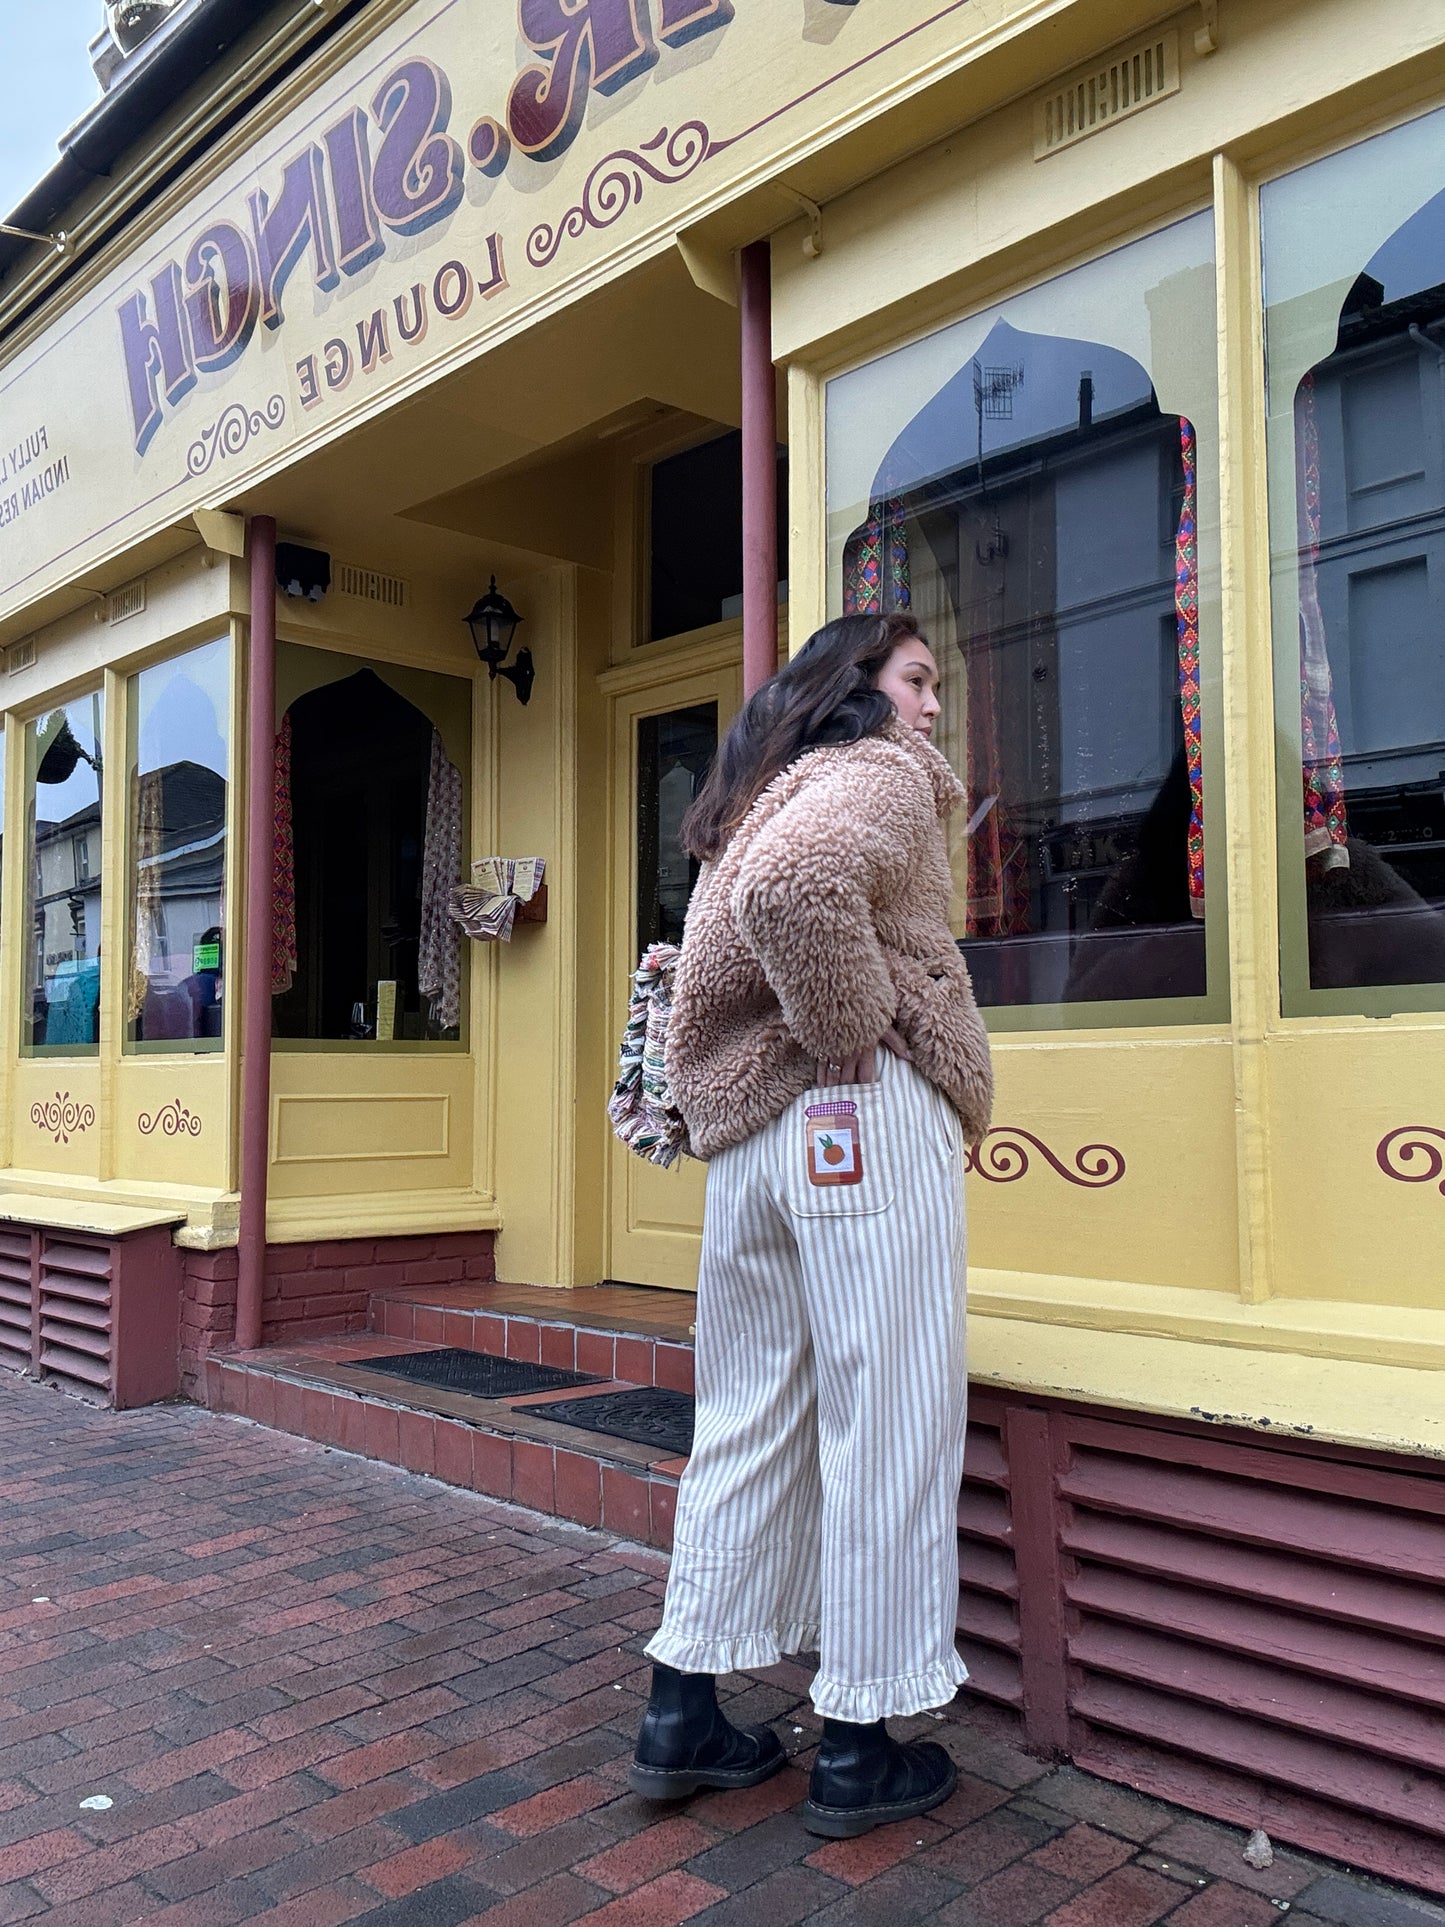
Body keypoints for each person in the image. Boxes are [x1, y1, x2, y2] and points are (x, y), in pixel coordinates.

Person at [629, 612, 993, 1839]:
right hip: (854, 1113)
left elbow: (766, 894)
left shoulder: (757, 800)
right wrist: (848, 1024)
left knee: (745, 1418)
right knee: (885, 1418)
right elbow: (798, 891)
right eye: (916, 679)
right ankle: (856, 1744)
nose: (931, 706)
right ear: (858, 689)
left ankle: (680, 1711)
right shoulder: (878, 774)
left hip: (750, 1143)